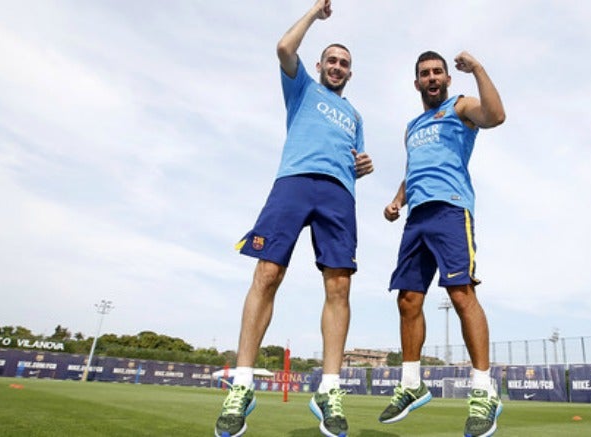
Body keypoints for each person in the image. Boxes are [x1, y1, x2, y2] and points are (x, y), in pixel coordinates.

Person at [213, 1, 373, 436]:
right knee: (268, 273)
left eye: (345, 64)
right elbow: (284, 46)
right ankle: (241, 387)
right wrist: (314, 15)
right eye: (332, 61)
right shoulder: (302, 87)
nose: (338, 67)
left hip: (339, 195)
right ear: (320, 64)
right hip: (294, 182)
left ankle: (329, 390)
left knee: (339, 284)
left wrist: (362, 164)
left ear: (350, 73)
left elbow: (353, 155)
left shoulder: (355, 115)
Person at [379, 50, 505, 437]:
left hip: (450, 211)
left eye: (437, 72)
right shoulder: (411, 126)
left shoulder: (461, 106)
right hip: (416, 217)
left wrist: (480, 68)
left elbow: (496, 116)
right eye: (424, 74)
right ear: (416, 83)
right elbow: (414, 167)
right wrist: (399, 198)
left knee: (461, 294)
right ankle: (412, 383)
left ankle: (484, 392)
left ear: (448, 79)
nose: (431, 77)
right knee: (407, 300)